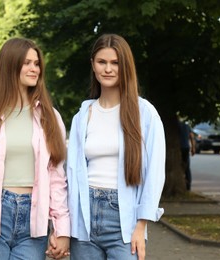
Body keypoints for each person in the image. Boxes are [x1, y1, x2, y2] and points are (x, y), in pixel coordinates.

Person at [0, 38, 70, 260]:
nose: (34, 68)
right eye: (27, 62)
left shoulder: (50, 117)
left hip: (33, 224)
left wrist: (61, 227)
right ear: (10, 65)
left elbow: (57, 178)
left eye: (36, 64)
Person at [66, 34, 166, 260]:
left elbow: (155, 173)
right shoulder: (82, 116)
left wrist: (141, 225)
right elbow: (71, 174)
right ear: (93, 65)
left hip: (125, 222)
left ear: (125, 66)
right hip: (84, 220)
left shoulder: (144, 113)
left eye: (115, 63)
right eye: (102, 62)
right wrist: (64, 226)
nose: (108, 69)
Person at [178, 119, 196, 191]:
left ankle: (183, 182)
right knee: (187, 167)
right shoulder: (186, 125)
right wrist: (193, 148)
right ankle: (188, 186)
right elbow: (191, 136)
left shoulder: (176, 125)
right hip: (186, 147)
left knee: (180, 166)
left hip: (179, 147)